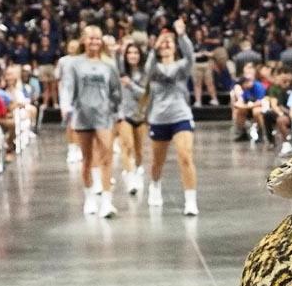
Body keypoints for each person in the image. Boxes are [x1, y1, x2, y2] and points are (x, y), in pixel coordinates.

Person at [60, 25, 122, 218]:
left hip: (103, 115)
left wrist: (117, 110)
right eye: (91, 38)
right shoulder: (74, 63)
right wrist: (66, 107)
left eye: (98, 38)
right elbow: (68, 87)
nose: (94, 41)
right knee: (87, 159)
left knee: (106, 156)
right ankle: (89, 197)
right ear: (84, 40)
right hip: (82, 115)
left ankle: (107, 201)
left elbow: (116, 90)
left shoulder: (109, 63)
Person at [143, 18, 199, 216]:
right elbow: (147, 71)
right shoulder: (154, 68)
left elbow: (191, 56)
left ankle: (190, 200)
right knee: (157, 161)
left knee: (185, 156)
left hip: (180, 115)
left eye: (169, 42)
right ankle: (155, 186)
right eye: (163, 43)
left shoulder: (182, 66)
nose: (166, 45)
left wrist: (182, 35)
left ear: (175, 47)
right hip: (159, 118)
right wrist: (154, 47)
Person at [116, 41, 148, 197]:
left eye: (135, 53)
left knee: (139, 149)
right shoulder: (120, 73)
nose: (133, 56)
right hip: (124, 115)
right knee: (126, 146)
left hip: (140, 115)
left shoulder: (145, 73)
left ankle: (138, 170)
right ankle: (130, 178)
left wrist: (130, 85)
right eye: (130, 53)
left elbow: (145, 94)